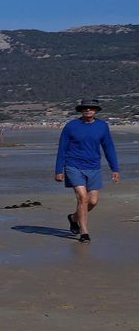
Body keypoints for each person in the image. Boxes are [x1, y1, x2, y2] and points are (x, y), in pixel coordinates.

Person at [54, 101, 121, 242]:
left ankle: (73, 218)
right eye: (85, 108)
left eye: (91, 108)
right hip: (73, 165)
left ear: (96, 111)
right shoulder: (71, 126)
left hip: (94, 166)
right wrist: (58, 170)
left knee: (94, 201)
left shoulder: (102, 126)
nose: (88, 110)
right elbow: (62, 149)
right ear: (81, 110)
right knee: (82, 198)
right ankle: (84, 232)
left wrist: (115, 168)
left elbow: (108, 148)